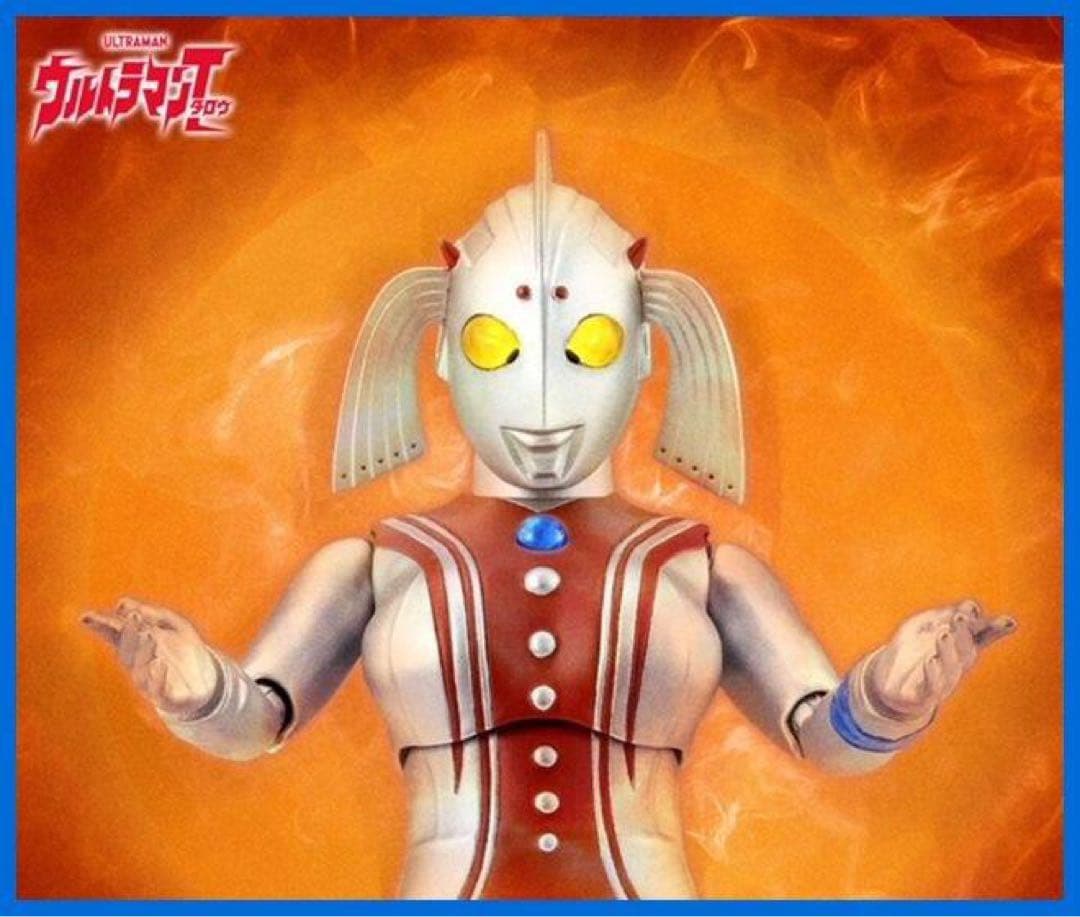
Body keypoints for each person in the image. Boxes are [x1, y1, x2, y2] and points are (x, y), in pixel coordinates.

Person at [83, 133, 1015, 900]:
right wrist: (196, 691)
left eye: (589, 345)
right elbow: (258, 719)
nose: (539, 395)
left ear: (645, 352)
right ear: (442, 352)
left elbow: (822, 731)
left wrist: (891, 694)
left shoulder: (705, 569)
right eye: (493, 345)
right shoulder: (371, 565)